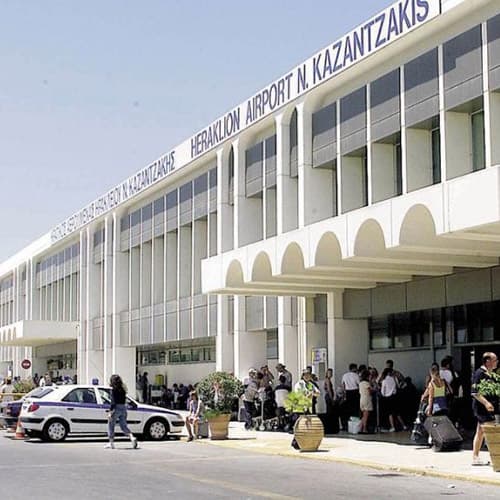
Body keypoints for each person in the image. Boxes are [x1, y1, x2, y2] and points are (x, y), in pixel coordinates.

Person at [471, 352, 498, 466]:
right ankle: (495, 457)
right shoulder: (479, 374)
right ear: (488, 361)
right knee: (492, 431)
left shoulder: (490, 374)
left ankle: (475, 457)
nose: (497, 362)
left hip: (487, 407)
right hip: (482, 408)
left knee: (480, 432)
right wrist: (486, 403)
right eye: (495, 360)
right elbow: (475, 392)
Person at [105, 374, 138, 450]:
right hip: (123, 408)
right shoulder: (123, 389)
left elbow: (113, 402)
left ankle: (111, 443)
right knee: (123, 426)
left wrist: (110, 412)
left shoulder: (114, 390)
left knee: (111, 425)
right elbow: (125, 399)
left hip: (116, 408)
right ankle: (132, 437)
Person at [380, 367, 407, 432]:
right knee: (397, 413)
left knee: (390, 413)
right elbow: (398, 386)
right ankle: (404, 425)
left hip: (388, 398)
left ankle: (392, 427)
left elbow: (382, 391)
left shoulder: (384, 381)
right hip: (395, 397)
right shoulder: (394, 379)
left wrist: (383, 395)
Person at [341, 363, 360, 431]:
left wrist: (344, 393)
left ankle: (347, 425)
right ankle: (355, 424)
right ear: (354, 368)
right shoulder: (356, 375)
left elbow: (343, 385)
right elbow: (359, 384)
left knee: (348, 409)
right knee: (355, 409)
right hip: (355, 392)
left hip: (348, 392)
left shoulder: (345, 375)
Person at [359, 369, 373, 433]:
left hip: (361, 399)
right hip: (367, 399)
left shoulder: (361, 383)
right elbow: (370, 391)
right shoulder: (367, 383)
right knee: (366, 415)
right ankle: (364, 429)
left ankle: (360, 428)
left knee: (364, 415)